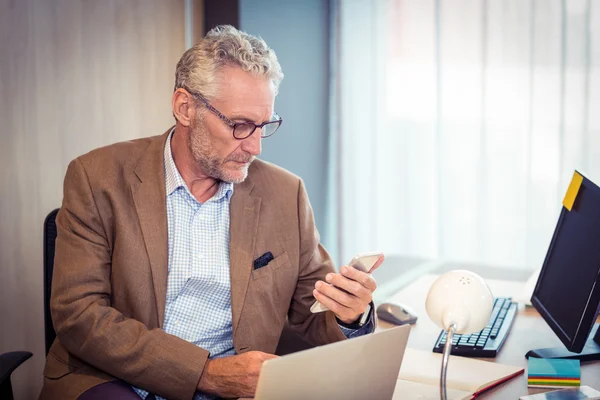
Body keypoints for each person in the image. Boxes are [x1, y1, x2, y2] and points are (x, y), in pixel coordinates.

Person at [39, 25, 377, 400]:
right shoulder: (98, 177)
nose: (254, 147)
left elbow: (311, 312)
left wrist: (350, 315)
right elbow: (79, 314)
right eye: (240, 125)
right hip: (113, 380)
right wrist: (204, 373)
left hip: (234, 390)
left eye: (264, 126)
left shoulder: (285, 193)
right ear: (186, 107)